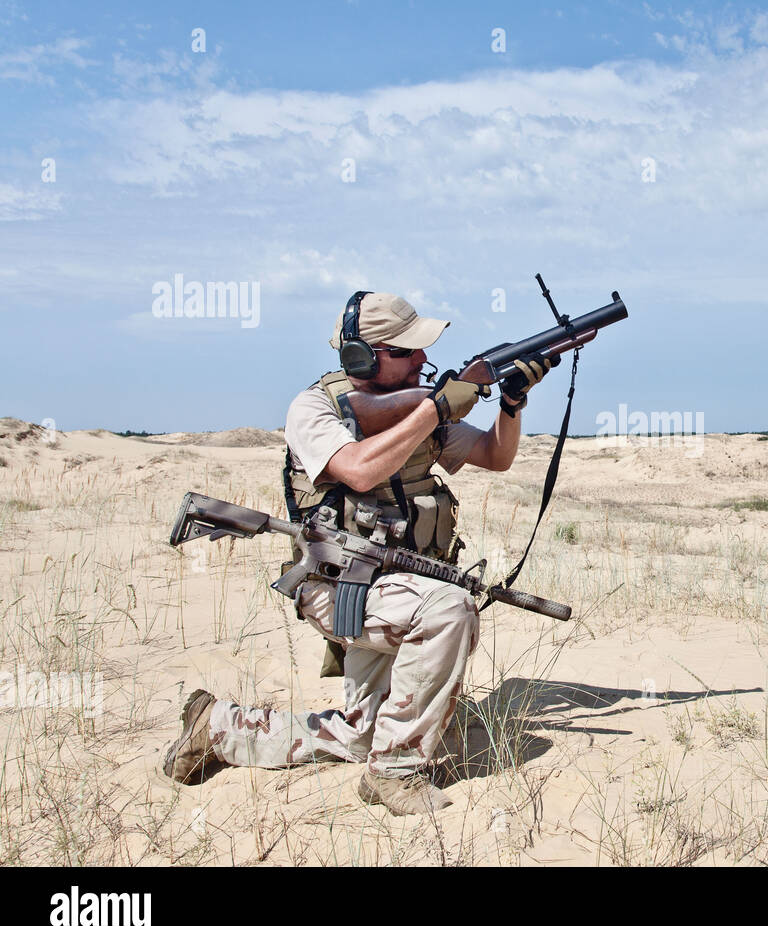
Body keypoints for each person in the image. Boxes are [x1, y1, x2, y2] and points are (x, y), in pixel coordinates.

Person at [162, 291, 551, 815]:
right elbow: (360, 469)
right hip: (338, 585)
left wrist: (510, 402)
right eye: (406, 351)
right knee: (449, 612)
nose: (421, 360)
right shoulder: (315, 408)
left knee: (364, 735)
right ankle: (395, 775)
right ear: (361, 358)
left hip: (399, 582)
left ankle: (218, 729)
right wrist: (435, 406)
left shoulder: (416, 404)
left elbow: (495, 456)